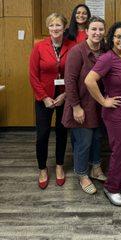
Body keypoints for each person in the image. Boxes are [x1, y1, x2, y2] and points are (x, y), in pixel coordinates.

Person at [85, 22, 121, 206]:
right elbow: (89, 80)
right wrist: (103, 101)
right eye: (118, 36)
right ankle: (111, 187)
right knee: (119, 151)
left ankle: (120, 183)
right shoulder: (107, 58)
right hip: (115, 114)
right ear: (111, 38)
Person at [62, 17, 107, 195]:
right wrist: (76, 107)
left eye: (101, 29)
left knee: (97, 139)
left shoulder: (105, 51)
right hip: (81, 104)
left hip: (99, 105)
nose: (97, 33)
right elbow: (70, 81)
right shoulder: (77, 51)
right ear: (86, 31)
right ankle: (82, 174)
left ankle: (96, 168)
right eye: (93, 29)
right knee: (84, 142)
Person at [29, 13, 75, 189]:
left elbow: (76, 74)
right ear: (48, 28)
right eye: (51, 25)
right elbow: (33, 76)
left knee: (62, 132)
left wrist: (66, 95)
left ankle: (59, 166)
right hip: (44, 98)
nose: (55, 29)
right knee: (42, 134)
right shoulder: (39, 47)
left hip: (65, 97)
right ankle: (42, 168)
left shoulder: (73, 46)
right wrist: (44, 97)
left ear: (64, 28)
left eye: (58, 25)